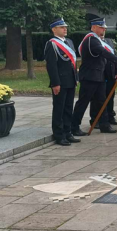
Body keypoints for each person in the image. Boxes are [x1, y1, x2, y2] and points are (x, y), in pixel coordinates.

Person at [71, 18, 117, 134]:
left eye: (104, 27)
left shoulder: (97, 39)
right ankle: (74, 126)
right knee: (83, 102)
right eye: (101, 27)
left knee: (101, 101)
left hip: (99, 76)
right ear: (93, 27)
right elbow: (103, 52)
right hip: (89, 76)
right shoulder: (91, 39)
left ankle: (104, 124)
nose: (103, 29)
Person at [44, 18, 80, 146]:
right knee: (59, 108)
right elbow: (51, 66)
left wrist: (76, 77)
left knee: (68, 108)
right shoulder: (52, 44)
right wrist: (55, 83)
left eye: (65, 27)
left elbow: (73, 62)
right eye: (61, 27)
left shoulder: (69, 42)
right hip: (60, 81)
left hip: (70, 80)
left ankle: (68, 132)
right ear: (54, 29)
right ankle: (59, 135)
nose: (65, 29)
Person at [101, 33, 117, 126]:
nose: (103, 31)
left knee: (110, 96)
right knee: (100, 98)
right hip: (101, 74)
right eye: (101, 28)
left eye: (104, 29)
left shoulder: (108, 41)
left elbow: (114, 56)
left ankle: (110, 116)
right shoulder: (94, 41)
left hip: (111, 73)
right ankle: (97, 119)